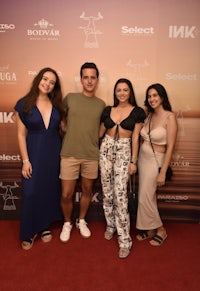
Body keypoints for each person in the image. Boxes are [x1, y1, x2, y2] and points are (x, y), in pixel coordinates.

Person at [14, 67, 64, 250]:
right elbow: (20, 135)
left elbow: (62, 129)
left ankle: (43, 227)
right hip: (33, 153)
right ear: (38, 80)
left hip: (53, 153)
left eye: (52, 82)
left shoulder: (57, 105)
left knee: (48, 190)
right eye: (45, 79)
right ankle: (28, 232)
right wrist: (26, 161)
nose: (47, 84)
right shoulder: (24, 104)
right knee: (31, 191)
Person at [99, 78, 146, 258]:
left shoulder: (137, 112)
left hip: (125, 151)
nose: (122, 93)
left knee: (120, 196)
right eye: (119, 90)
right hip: (106, 149)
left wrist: (133, 161)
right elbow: (100, 133)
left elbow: (135, 138)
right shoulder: (108, 110)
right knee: (107, 192)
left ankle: (124, 239)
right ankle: (110, 225)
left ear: (130, 92)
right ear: (115, 92)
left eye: (125, 90)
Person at [59, 62, 105, 242]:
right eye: (86, 77)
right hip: (69, 153)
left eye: (93, 77)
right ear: (81, 79)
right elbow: (59, 119)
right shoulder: (70, 98)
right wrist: (66, 129)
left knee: (87, 190)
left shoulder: (102, 104)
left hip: (91, 155)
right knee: (66, 194)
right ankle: (67, 223)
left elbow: (101, 129)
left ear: (97, 80)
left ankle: (82, 220)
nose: (89, 81)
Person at [136, 83, 178, 246]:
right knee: (148, 196)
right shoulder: (149, 115)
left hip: (156, 161)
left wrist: (163, 171)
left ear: (162, 97)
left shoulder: (170, 117)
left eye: (155, 95)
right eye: (149, 96)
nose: (152, 99)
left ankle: (161, 229)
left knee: (144, 197)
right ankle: (150, 229)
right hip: (142, 160)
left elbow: (171, 148)